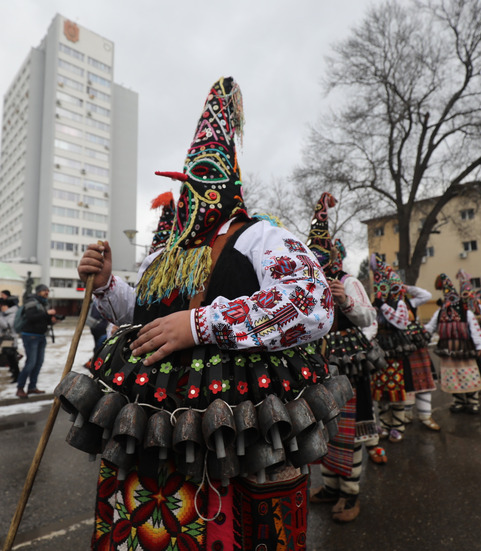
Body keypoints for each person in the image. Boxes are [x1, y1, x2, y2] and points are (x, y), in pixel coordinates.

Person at [76, 77, 336, 550]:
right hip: (156, 417)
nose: (196, 190)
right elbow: (140, 315)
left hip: (241, 416)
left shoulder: (262, 237)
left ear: (231, 180)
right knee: (155, 522)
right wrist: (107, 286)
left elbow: (311, 304)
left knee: (243, 523)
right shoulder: (165, 253)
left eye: (208, 175)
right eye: (190, 179)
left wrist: (200, 324)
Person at [306, 193, 378, 523]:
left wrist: (345, 300)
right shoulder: (309, 285)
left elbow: (369, 319)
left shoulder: (349, 281)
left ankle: (351, 495)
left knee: (349, 431)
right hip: (319, 365)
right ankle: (331, 488)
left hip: (349, 367)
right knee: (326, 429)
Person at [370, 254, 438, 437]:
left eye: (385, 285)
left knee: (398, 387)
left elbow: (401, 322)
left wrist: (385, 304)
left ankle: (400, 424)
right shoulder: (376, 303)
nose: (382, 289)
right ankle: (384, 424)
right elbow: (370, 324)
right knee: (380, 388)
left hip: (398, 349)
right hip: (381, 350)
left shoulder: (400, 302)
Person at [425, 273, 481, 414]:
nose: (450, 305)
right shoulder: (440, 313)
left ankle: (473, 401)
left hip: (465, 349)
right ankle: (459, 401)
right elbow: (430, 327)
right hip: (447, 351)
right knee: (453, 376)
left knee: (468, 375)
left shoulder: (467, 314)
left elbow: (476, 331)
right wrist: (421, 336)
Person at [16, 284, 58, 399]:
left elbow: (42, 319)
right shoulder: (31, 301)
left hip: (41, 336)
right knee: (30, 363)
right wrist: (46, 314)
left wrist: (52, 320)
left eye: (48, 290)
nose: (47, 292)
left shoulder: (43, 303)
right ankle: (20, 388)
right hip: (30, 336)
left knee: (38, 363)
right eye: (44, 290)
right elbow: (31, 317)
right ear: (38, 291)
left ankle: (32, 387)